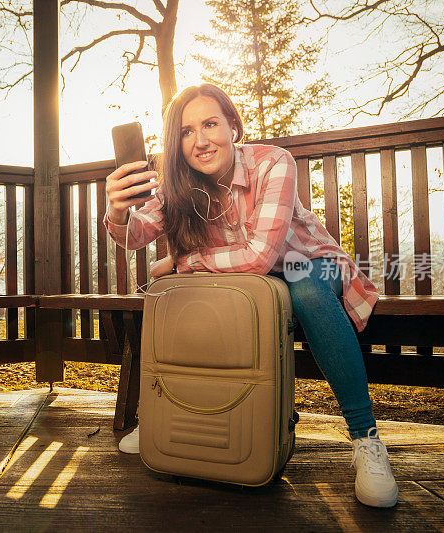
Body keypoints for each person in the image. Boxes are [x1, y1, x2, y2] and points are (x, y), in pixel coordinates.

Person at [102, 83, 398, 508]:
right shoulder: (176, 184)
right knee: (191, 297)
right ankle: (166, 417)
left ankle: (365, 438)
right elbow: (134, 235)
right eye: (186, 132)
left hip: (306, 263)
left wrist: (184, 262)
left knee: (306, 289)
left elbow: (261, 257)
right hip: (248, 290)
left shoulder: (273, 162)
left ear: (233, 127)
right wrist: (116, 210)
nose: (200, 140)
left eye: (210, 124)